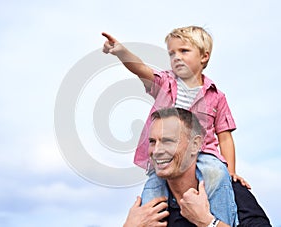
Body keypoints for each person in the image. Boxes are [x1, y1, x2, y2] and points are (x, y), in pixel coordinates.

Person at [102, 26, 248, 226]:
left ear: (204, 57)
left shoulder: (216, 96)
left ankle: (223, 222)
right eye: (172, 53)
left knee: (218, 175)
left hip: (204, 155)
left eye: (184, 51)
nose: (176, 57)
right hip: (165, 157)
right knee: (152, 191)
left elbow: (224, 136)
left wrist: (230, 171)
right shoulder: (165, 83)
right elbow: (141, 68)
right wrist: (120, 51)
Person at [123, 108, 271, 227]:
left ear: (195, 145)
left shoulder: (230, 191)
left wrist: (207, 222)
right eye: (152, 141)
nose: (156, 151)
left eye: (168, 141)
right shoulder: (150, 209)